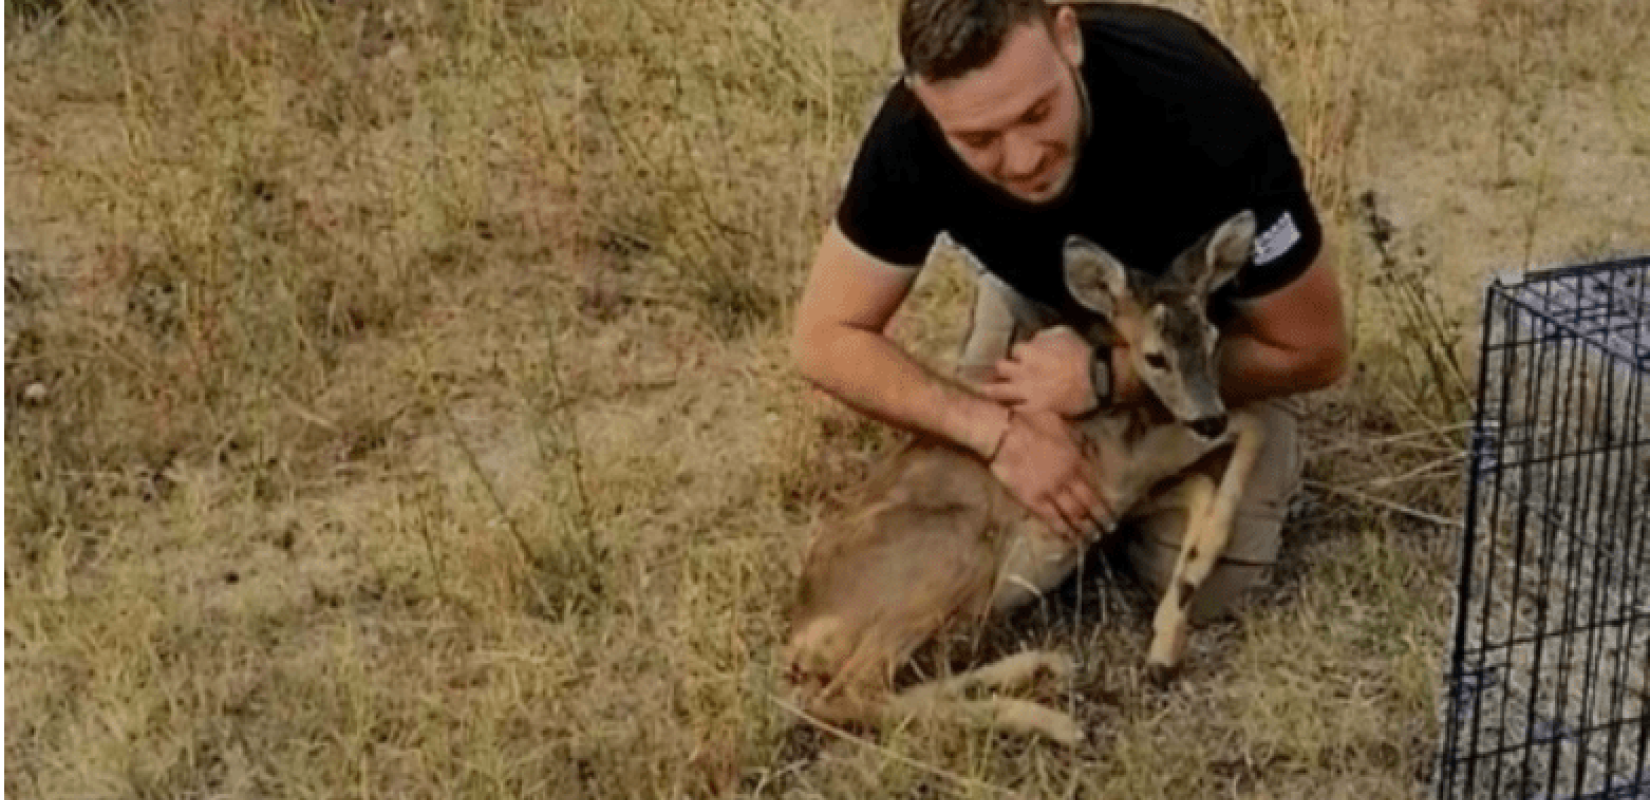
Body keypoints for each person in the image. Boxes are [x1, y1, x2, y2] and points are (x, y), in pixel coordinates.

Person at [790, 0, 1348, 623]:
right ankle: (1092, 481)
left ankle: (1154, 486)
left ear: (1066, 37)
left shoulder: (1198, 100)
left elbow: (1315, 348)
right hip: (1048, 313)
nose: (1024, 158)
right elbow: (824, 336)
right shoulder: (910, 133)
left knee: (1211, 587)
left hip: (1196, 345)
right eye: (979, 140)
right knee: (982, 528)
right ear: (922, 97)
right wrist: (997, 435)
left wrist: (1109, 377)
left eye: (1037, 112)